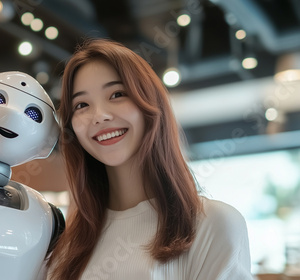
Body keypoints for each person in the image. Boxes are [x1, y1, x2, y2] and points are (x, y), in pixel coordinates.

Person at [45, 39, 253, 279]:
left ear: (151, 105)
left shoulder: (213, 224)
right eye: (81, 105)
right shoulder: (68, 243)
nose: (99, 116)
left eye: (117, 94)